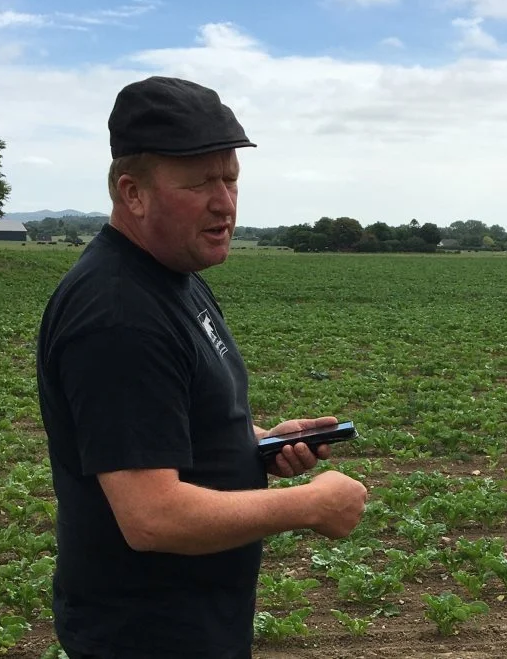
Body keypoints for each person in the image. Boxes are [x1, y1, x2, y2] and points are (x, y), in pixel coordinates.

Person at [35, 76, 368, 659]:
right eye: (200, 183)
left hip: (192, 621)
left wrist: (255, 444)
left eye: (231, 179)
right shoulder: (118, 314)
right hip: (147, 634)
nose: (225, 202)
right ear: (132, 193)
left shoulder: (172, 278)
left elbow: (170, 429)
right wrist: (310, 504)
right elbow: (153, 516)